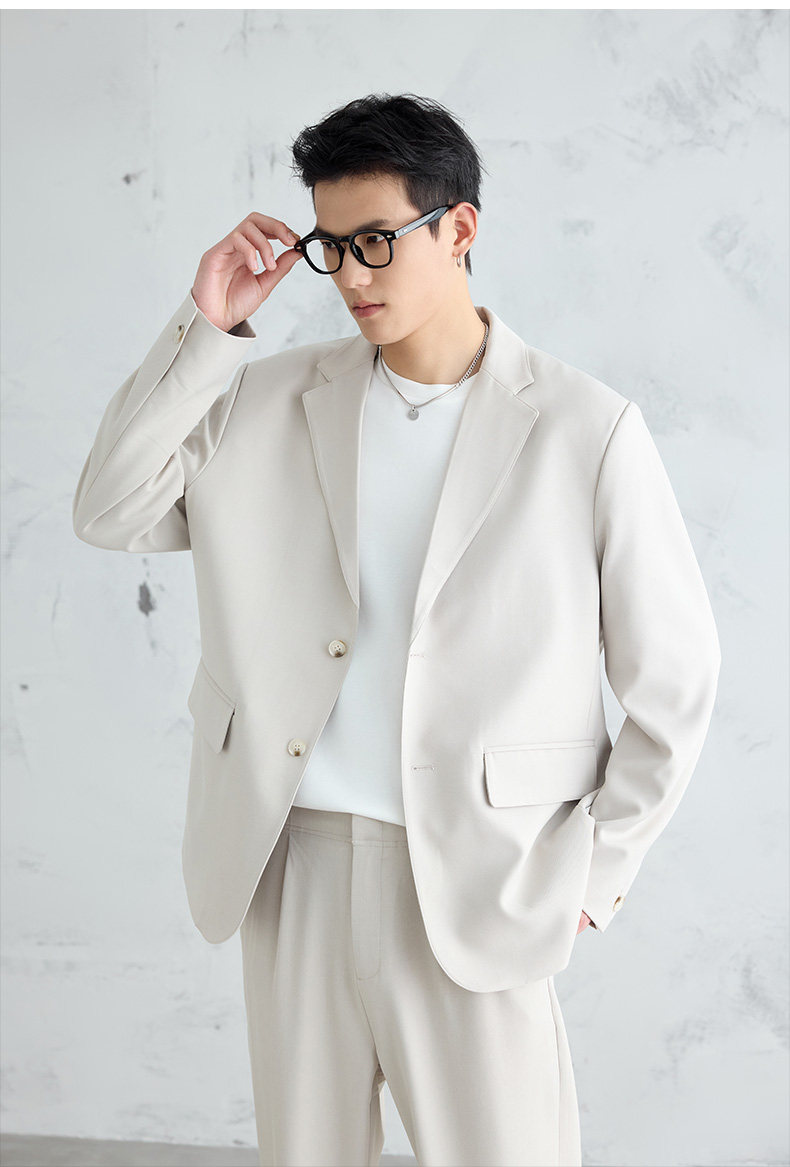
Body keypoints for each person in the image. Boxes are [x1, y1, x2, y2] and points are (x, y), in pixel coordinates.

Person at [73, 93, 721, 1167]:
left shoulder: (584, 428)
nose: (350, 274)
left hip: (482, 875)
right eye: (330, 246)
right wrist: (207, 328)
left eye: (375, 239)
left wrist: (592, 874)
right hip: (292, 860)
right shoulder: (262, 399)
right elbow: (109, 508)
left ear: (459, 228)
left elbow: (677, 683)